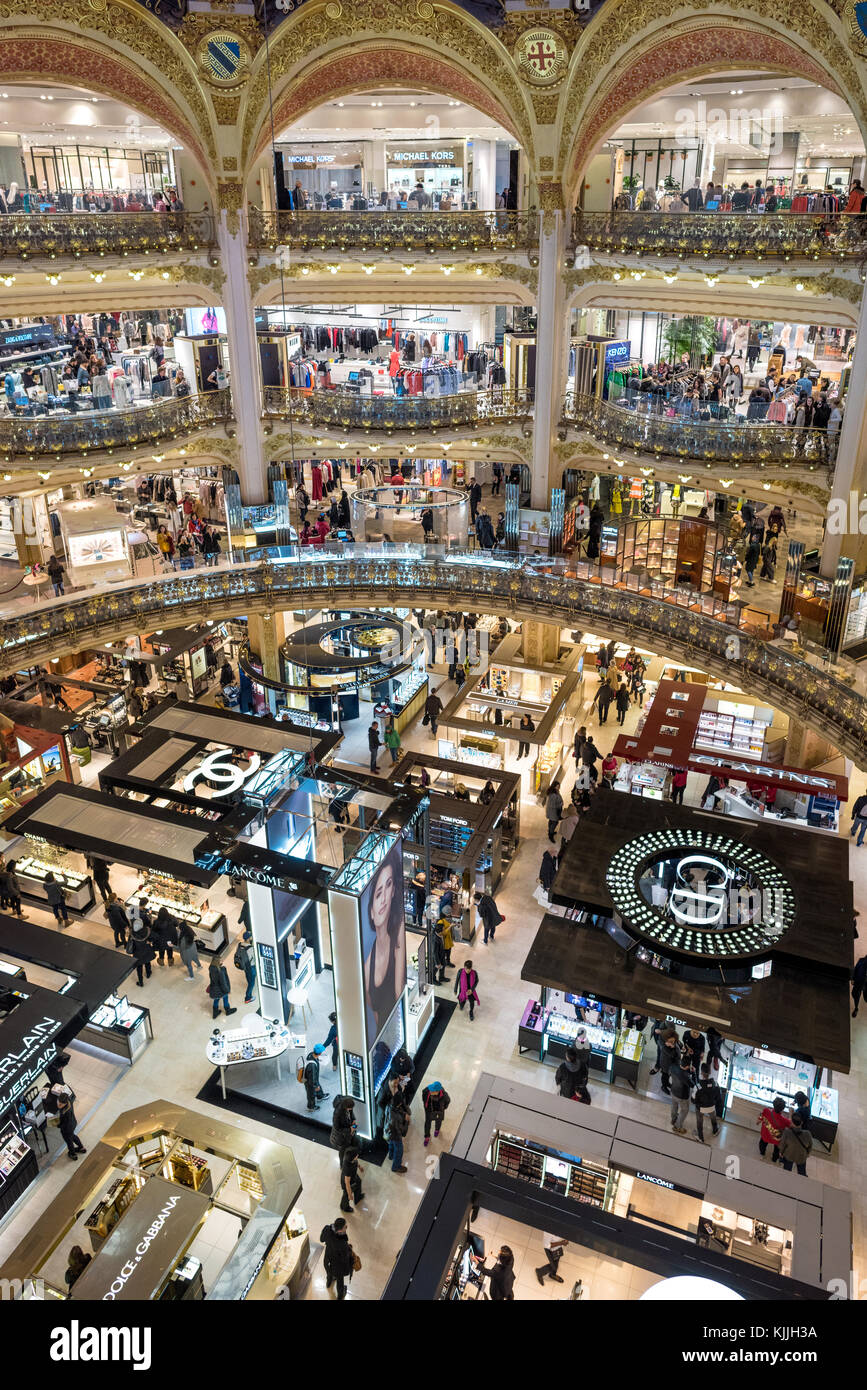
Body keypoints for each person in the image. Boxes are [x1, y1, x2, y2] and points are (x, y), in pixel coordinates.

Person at [320, 1217, 356, 1299]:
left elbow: (321, 1239)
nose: (346, 1227)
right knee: (340, 1281)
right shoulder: (342, 1243)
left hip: (327, 1258)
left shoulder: (327, 1229)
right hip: (338, 1265)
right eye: (345, 1227)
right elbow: (344, 1259)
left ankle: (329, 1282)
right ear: (340, 1230)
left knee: (329, 1271)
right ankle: (340, 1296)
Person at [383, 1084, 410, 1173]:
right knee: (399, 1149)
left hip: (388, 1131)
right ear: (400, 1103)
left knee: (391, 1144)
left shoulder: (389, 1105)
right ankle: (396, 1166)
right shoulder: (396, 1118)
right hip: (395, 1135)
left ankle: (391, 1155)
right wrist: (406, 1121)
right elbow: (403, 1132)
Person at [693, 1063, 722, 1142]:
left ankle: (700, 1137)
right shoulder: (715, 1084)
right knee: (713, 1118)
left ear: (701, 1073)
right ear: (710, 1072)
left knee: (699, 1121)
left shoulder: (697, 1086)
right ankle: (715, 1130)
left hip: (701, 1108)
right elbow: (718, 1097)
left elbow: (693, 1100)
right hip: (712, 1107)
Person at [757, 1095, 790, 1161]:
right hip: (776, 1139)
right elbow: (791, 1125)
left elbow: (759, 1118)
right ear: (782, 1109)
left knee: (762, 1144)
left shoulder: (766, 1110)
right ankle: (774, 1159)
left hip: (765, 1135)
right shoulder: (784, 1120)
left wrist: (758, 1121)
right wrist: (791, 1114)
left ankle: (762, 1153)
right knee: (777, 1150)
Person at [668, 1048, 693, 1135]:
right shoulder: (686, 1076)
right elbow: (692, 1084)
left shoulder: (674, 1067)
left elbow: (670, 1071)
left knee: (674, 1106)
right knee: (684, 1110)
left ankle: (673, 1119)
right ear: (687, 1066)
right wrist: (693, 1073)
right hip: (682, 1096)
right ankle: (678, 1126)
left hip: (673, 1091)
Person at [57, 1093, 86, 1161]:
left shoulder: (65, 1112)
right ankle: (81, 1147)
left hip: (67, 1128)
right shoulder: (69, 1101)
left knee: (69, 1141)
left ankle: (72, 1154)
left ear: (65, 1103)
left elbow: (64, 1123)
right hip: (73, 1123)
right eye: (58, 1102)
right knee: (72, 1136)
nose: (59, 1105)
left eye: (61, 1104)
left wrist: (58, 1125)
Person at [421, 1081, 450, 1146]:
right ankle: (427, 1136)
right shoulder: (426, 1090)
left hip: (438, 1110)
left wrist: (443, 1108)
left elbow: (448, 1101)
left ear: (438, 1091)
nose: (430, 1091)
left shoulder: (444, 1095)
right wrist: (426, 1106)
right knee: (427, 1122)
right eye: (431, 1090)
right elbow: (424, 1098)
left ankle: (437, 1130)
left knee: (438, 1120)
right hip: (429, 1110)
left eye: (432, 1091)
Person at [330, 1098, 357, 1167]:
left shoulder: (347, 1103)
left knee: (351, 1143)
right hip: (340, 1137)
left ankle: (351, 1156)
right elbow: (337, 1128)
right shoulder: (337, 1114)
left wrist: (353, 1119)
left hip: (348, 1132)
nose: (351, 1110)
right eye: (349, 1108)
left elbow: (351, 1113)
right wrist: (349, 1129)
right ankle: (342, 1165)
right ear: (346, 1107)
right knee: (342, 1150)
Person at [340, 1144, 365, 1212]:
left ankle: (358, 1197)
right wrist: (350, 1194)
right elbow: (347, 1183)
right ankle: (344, 1207)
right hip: (348, 1182)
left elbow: (355, 1161)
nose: (358, 1155)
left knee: (359, 1182)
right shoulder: (347, 1168)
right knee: (346, 1196)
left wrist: (359, 1167)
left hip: (353, 1176)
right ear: (353, 1157)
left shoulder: (351, 1158)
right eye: (356, 1155)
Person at [234, 927, 256, 1003]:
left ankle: (249, 982)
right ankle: (248, 998)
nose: (252, 937)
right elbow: (254, 958)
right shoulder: (250, 948)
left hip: (245, 967)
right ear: (248, 938)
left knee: (248, 977)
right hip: (251, 967)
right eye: (251, 936)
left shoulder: (240, 944)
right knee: (252, 983)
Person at [304, 1045, 327, 1112]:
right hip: (310, 1082)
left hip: (314, 1079)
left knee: (318, 1086)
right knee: (311, 1094)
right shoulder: (312, 1066)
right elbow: (312, 1079)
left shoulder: (311, 1054)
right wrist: (315, 1086)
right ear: (320, 1053)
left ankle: (320, 1096)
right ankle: (311, 1107)